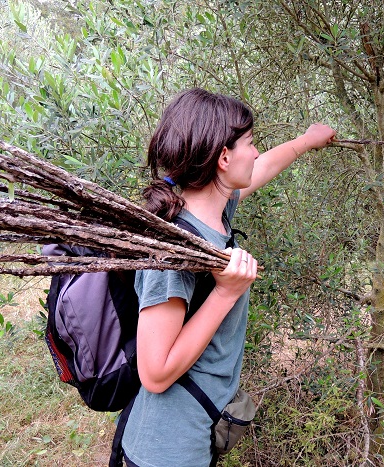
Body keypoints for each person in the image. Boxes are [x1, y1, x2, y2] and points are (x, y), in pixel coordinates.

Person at [119, 88, 336, 466]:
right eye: (250, 143)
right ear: (223, 157)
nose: (254, 152)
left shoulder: (213, 212)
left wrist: (307, 140)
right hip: (166, 447)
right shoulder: (174, 249)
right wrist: (225, 294)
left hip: (191, 433)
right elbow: (154, 374)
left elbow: (262, 167)